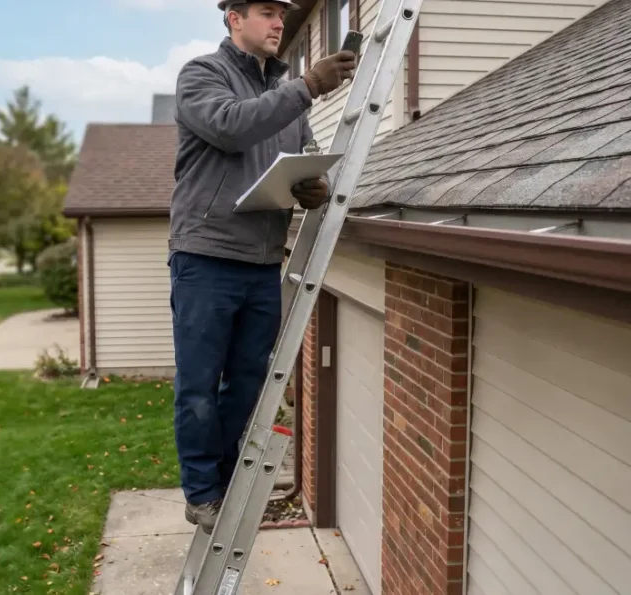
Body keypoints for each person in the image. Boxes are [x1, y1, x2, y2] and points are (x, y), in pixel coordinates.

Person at [168, 0, 357, 534]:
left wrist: (312, 186)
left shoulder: (287, 101)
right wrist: (307, 87)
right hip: (205, 255)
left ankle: (225, 481)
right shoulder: (203, 74)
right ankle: (201, 491)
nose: (279, 23)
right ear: (234, 19)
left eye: (282, 14)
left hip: (261, 260)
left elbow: (303, 151)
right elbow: (229, 128)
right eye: (268, 13)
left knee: (248, 382)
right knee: (200, 384)